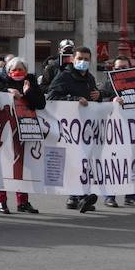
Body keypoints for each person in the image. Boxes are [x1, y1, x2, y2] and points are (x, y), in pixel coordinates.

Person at [47, 46, 102, 212]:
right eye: (80, 59)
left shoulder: (90, 78)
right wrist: (74, 99)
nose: (83, 62)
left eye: (86, 59)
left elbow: (94, 99)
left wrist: (98, 95)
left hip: (87, 128)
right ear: (73, 59)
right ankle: (80, 196)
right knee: (76, 161)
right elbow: (51, 96)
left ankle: (74, 197)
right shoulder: (64, 76)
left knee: (83, 162)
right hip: (69, 128)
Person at [0, 57, 43, 214]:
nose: (18, 72)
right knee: (4, 165)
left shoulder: (30, 83)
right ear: (8, 71)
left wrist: (24, 95)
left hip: (24, 127)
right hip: (5, 128)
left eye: (21, 69)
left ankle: (23, 202)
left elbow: (40, 103)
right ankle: (2, 201)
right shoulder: (1, 81)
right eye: (14, 69)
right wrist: (7, 92)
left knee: (22, 166)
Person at [99, 54, 135, 208]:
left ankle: (130, 196)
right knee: (113, 163)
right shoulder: (108, 85)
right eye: (118, 68)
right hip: (114, 132)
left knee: (132, 162)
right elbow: (98, 100)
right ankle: (110, 196)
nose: (121, 71)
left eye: (125, 68)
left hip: (133, 131)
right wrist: (111, 101)